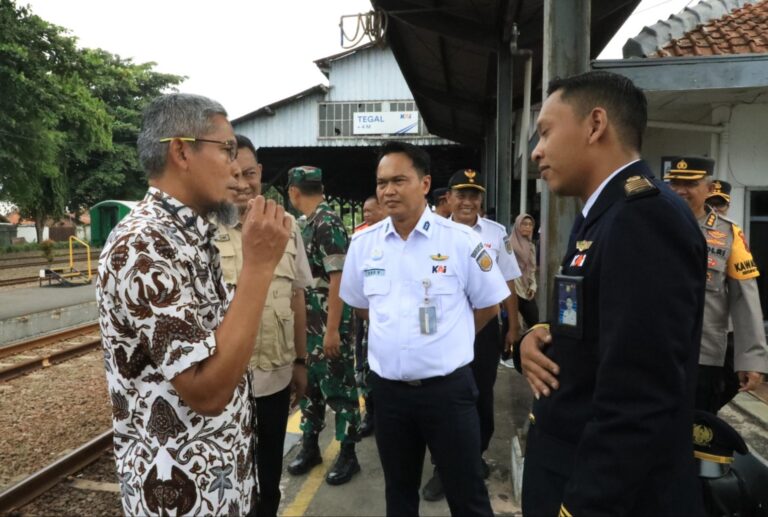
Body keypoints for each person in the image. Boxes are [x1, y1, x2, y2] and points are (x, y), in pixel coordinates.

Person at [515, 71, 706, 516]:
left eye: (545, 132)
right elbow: (603, 323)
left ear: (595, 124)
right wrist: (539, 336)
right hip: (568, 466)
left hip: (605, 495)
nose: (537, 151)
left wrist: (581, 507)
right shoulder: (603, 214)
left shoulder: (644, 218)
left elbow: (639, 397)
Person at [97, 93, 291, 515]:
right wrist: (258, 267)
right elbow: (206, 392)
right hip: (182, 500)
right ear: (182, 151)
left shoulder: (188, 235)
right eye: (225, 150)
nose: (236, 166)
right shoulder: (144, 246)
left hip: (221, 486)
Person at [340, 141, 510, 517]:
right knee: (399, 496)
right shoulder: (364, 244)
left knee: (467, 496)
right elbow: (362, 306)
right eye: (382, 182)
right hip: (389, 396)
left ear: (424, 183)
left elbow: (489, 304)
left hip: (448, 393)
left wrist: (452, 338)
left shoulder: (461, 241)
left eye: (399, 180)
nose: (388, 190)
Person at [213, 135, 312, 517]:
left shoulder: (285, 226)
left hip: (273, 378)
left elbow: (297, 296)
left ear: (261, 174)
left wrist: (301, 362)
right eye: (232, 173)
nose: (242, 182)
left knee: (267, 480)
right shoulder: (200, 228)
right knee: (225, 480)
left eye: (249, 173)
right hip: (221, 383)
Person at [420, 168, 522, 502]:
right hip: (444, 329)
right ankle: (441, 467)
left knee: (481, 393)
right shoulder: (431, 234)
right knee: (443, 396)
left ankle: (473, 456)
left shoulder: (494, 233)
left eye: (473, 194)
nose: (467, 201)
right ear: (447, 198)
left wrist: (513, 325)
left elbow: (507, 280)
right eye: (461, 194)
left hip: (484, 329)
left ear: (481, 199)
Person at [665, 157, 768, 413]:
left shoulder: (730, 234)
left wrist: (751, 359)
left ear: (710, 189)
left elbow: (745, 298)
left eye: (689, 183)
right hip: (654, 352)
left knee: (699, 434)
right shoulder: (648, 225)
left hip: (703, 356)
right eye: (674, 182)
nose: (680, 189)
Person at [286, 166, 361, 485]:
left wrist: (332, 331)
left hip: (327, 323)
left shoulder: (327, 222)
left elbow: (338, 278)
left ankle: (348, 453)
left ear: (293, 192)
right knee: (310, 388)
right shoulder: (309, 222)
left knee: (340, 388)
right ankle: (311, 446)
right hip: (309, 322)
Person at [354, 194, 386, 438]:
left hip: (387, 318)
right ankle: (371, 412)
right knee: (364, 365)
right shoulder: (361, 237)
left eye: (370, 210)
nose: (366, 215)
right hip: (365, 316)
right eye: (364, 211)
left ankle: (382, 412)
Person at [508, 213, 539, 328]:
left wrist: (533, 286)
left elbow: (532, 270)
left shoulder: (531, 246)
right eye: (524, 224)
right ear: (517, 226)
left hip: (526, 291)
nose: (527, 227)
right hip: (512, 290)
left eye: (530, 224)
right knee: (510, 326)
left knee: (535, 323)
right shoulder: (508, 245)